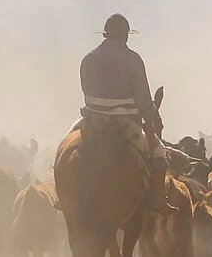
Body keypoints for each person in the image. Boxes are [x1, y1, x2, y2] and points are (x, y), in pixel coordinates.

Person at [74, 13, 175, 214]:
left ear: (105, 34)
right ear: (126, 35)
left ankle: (62, 196)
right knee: (159, 152)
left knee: (65, 145)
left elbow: (85, 90)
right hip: (125, 122)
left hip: (93, 120)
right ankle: (158, 201)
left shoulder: (88, 59)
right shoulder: (133, 59)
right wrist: (152, 115)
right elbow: (143, 99)